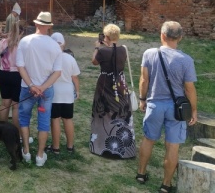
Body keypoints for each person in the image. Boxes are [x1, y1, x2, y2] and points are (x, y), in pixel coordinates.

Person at [136, 21, 197, 193]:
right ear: (181, 38)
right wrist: (193, 110)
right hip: (177, 108)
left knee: (148, 139)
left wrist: (142, 99)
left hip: (154, 104)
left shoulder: (149, 54)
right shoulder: (186, 60)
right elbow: (189, 88)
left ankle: (141, 173)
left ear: (162, 35)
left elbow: (144, 80)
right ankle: (166, 184)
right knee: (173, 146)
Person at [16, 12, 62, 167]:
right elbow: (57, 72)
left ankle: (26, 151)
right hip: (45, 90)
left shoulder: (24, 41)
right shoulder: (55, 45)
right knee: (43, 122)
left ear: (36, 24)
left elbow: (20, 66)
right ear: (49, 26)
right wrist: (42, 87)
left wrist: (31, 85)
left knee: (24, 119)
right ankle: (40, 155)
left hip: (27, 88)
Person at [90, 24, 136, 159]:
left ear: (107, 37)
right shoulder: (124, 50)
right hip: (120, 83)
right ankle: (124, 146)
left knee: (103, 113)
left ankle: (101, 144)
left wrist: (97, 47)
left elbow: (94, 61)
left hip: (105, 83)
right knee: (120, 111)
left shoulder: (103, 52)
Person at [0, 21, 33, 143]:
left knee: (5, 103)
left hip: (4, 73)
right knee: (16, 106)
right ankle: (17, 135)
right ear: (22, 32)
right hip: (17, 75)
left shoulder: (2, 43)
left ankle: (2, 131)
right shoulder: (23, 45)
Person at [45, 32, 80, 154]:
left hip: (54, 93)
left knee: (55, 119)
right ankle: (70, 146)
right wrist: (77, 90)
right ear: (64, 44)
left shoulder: (49, 58)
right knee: (68, 119)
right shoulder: (70, 58)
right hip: (67, 93)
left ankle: (56, 147)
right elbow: (75, 77)